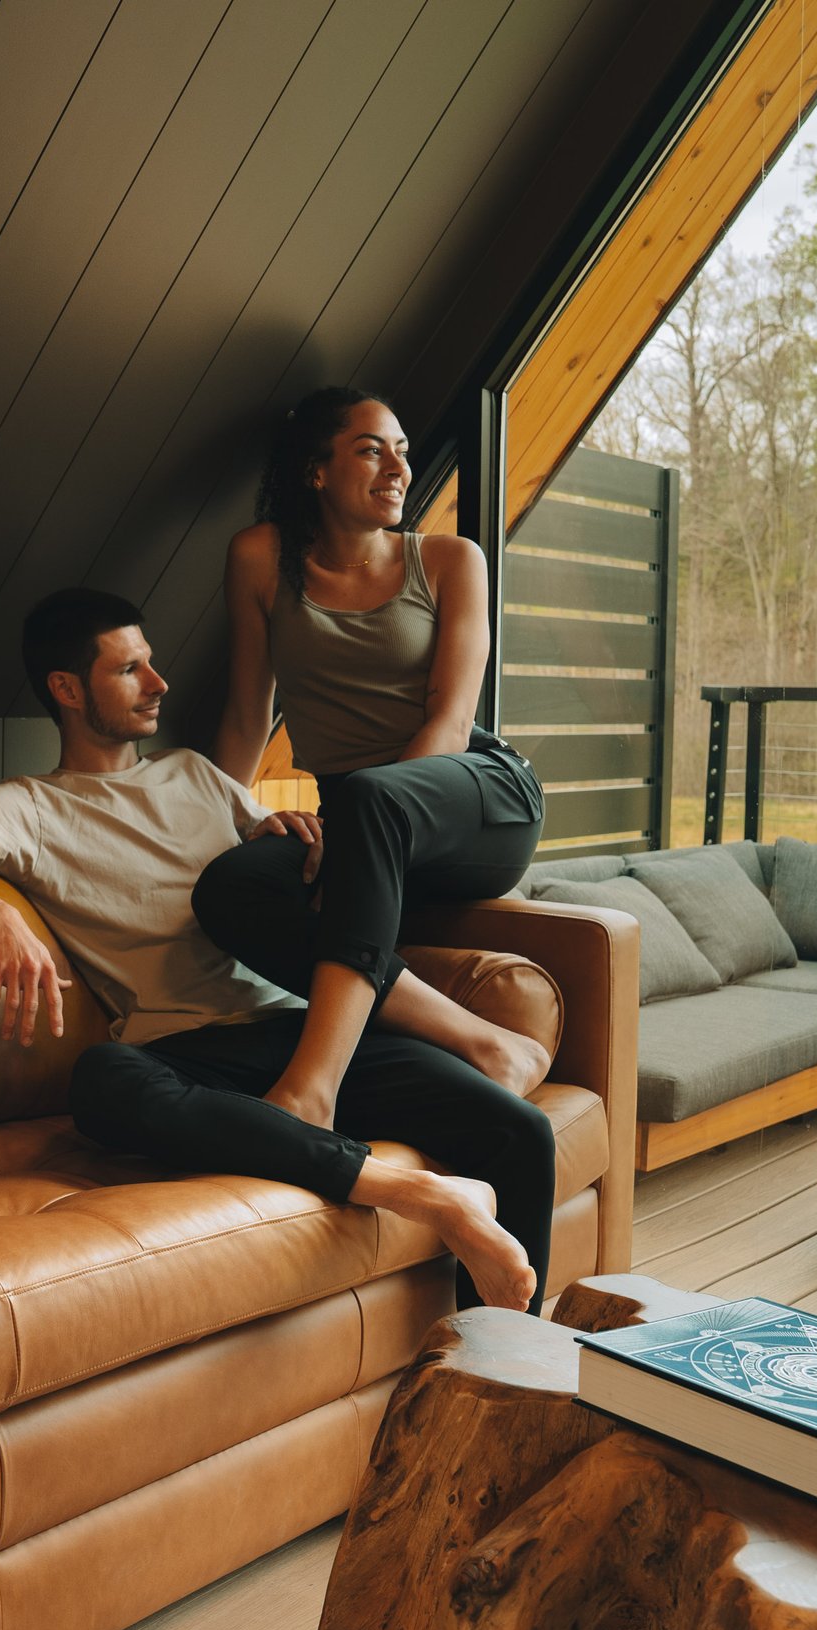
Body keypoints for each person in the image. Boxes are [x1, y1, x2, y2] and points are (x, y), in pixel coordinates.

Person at [0, 588, 554, 1312]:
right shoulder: (28, 808)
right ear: (68, 689)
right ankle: (425, 1195)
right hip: (186, 1052)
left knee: (522, 1133)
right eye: (130, 669)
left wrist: (291, 839)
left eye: (152, 663)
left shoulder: (194, 773)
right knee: (103, 1082)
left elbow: (300, 885)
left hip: (304, 1030)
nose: (159, 683)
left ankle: (502, 1363)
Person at [199, 387, 546, 1133]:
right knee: (229, 888)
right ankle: (486, 1043)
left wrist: (360, 828)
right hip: (364, 816)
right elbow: (245, 714)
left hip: (479, 798)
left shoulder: (452, 560)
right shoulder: (259, 558)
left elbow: (451, 721)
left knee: (368, 800)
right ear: (315, 471)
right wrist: (216, 821)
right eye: (371, 449)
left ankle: (311, 1089)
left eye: (404, 452)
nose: (398, 467)